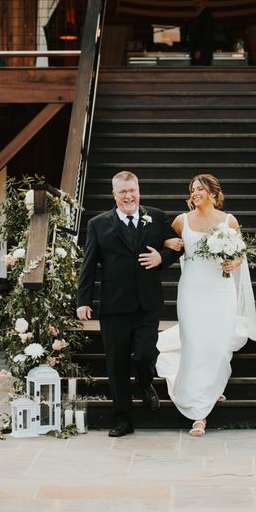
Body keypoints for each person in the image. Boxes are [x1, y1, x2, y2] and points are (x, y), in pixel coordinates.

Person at [76, 171, 180, 437]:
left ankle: (145, 384)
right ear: (114, 194)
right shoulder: (99, 224)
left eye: (132, 190)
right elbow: (88, 265)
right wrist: (83, 300)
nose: (128, 196)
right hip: (114, 306)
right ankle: (123, 420)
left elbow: (178, 245)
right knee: (116, 364)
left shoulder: (156, 216)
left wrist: (163, 258)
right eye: (122, 192)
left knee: (145, 354)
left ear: (138, 190)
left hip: (148, 303)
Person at [157, 174, 256, 436]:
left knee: (216, 344)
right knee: (192, 342)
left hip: (220, 289)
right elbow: (165, 242)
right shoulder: (182, 221)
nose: (195, 192)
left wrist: (234, 263)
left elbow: (240, 256)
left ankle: (210, 390)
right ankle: (198, 413)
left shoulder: (229, 221)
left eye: (200, 189)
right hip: (192, 289)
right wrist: (166, 242)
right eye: (192, 189)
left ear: (214, 193)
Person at [190, 0, 214, 66]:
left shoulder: (206, 15)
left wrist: (199, 50)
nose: (195, 5)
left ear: (203, 3)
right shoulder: (201, 15)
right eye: (194, 3)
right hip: (200, 51)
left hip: (203, 52)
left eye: (197, 3)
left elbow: (206, 34)